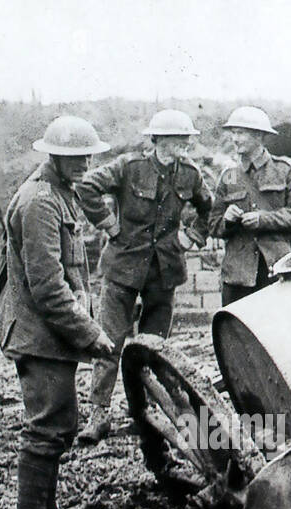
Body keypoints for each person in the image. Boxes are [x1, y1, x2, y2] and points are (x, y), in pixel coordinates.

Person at [0, 116, 115, 509]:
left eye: (87, 156)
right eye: (73, 157)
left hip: (48, 333)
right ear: (53, 156)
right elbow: (48, 287)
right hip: (38, 334)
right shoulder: (40, 201)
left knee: (59, 423)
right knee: (47, 426)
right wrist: (90, 333)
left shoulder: (60, 193)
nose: (83, 164)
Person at [76, 109, 212, 443]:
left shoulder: (191, 175)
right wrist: (109, 224)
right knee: (109, 341)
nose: (180, 145)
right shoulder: (129, 167)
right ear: (157, 140)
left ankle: (147, 410)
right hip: (124, 267)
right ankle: (99, 413)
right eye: (173, 139)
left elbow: (211, 207)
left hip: (163, 271)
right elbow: (87, 187)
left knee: (155, 346)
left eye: (184, 140)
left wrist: (192, 236)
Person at [209, 107, 291, 306]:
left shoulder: (285, 170)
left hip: (277, 268)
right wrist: (227, 221)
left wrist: (262, 219)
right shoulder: (229, 176)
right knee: (235, 333)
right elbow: (213, 225)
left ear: (258, 135)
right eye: (233, 133)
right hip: (238, 274)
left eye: (240, 133)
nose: (234, 139)